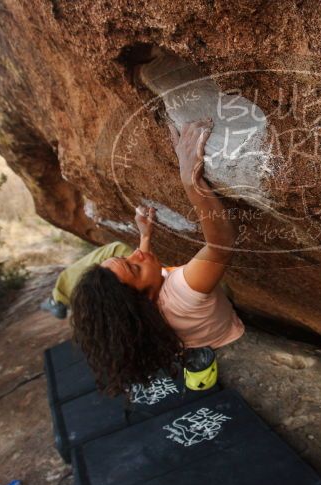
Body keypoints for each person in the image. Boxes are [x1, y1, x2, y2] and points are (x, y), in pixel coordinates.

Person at [69, 118, 244, 397]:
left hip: (188, 330)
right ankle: (205, 353)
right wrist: (190, 179)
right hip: (222, 330)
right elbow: (221, 245)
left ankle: (194, 353)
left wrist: (146, 237)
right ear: (145, 300)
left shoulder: (141, 316)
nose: (136, 255)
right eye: (133, 267)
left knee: (161, 296)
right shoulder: (183, 292)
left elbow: (145, 279)